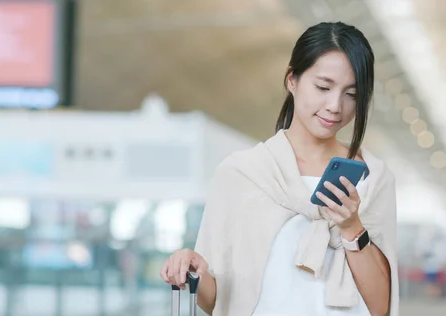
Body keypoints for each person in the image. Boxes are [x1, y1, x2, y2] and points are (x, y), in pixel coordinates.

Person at [159, 21, 399, 316]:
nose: (336, 105)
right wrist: (190, 268)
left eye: (352, 94)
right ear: (292, 80)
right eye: (323, 87)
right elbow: (216, 301)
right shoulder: (242, 174)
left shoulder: (374, 179)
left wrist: (352, 227)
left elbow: (382, 307)